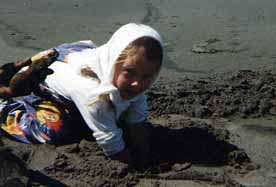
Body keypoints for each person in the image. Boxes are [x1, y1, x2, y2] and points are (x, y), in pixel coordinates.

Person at [0, 23, 163, 168]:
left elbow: (137, 123)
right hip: (43, 80)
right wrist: (134, 166)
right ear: (112, 61)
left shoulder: (131, 81)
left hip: (77, 54)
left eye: (147, 76)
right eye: (129, 72)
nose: (137, 83)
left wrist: (144, 157)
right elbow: (111, 144)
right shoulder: (94, 94)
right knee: (54, 131)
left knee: (116, 116)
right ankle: (6, 110)